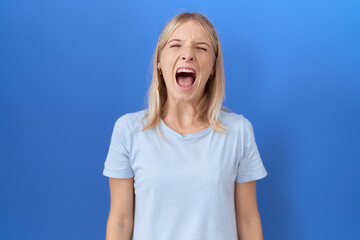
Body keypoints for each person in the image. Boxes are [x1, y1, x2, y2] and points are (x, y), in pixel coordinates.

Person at [103, 11, 268, 240]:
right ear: (159, 62)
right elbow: (120, 222)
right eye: (175, 45)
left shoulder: (239, 131)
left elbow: (248, 221)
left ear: (212, 67)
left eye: (201, 48)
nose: (187, 55)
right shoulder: (128, 130)